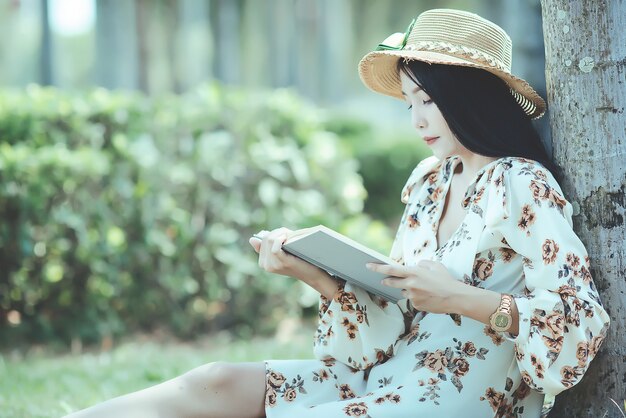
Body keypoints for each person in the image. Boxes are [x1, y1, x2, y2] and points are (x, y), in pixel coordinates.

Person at [64, 8, 610, 418]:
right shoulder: (428, 183)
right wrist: (317, 276)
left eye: (429, 99)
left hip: (457, 398)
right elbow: (392, 321)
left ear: (469, 97)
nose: (417, 118)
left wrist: (460, 299)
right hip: (390, 376)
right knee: (216, 381)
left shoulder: (521, 183)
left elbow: (580, 318)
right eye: (410, 101)